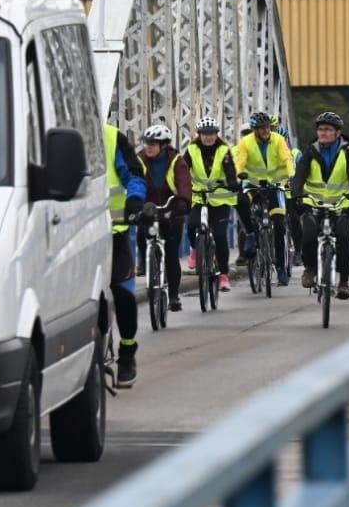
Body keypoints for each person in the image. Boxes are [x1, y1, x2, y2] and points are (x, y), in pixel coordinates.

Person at [290, 111, 349, 299]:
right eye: (320, 129)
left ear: (337, 133)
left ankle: (344, 282)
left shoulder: (348, 151)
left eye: (328, 130)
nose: (323, 133)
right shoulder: (310, 151)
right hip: (314, 202)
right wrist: (297, 194)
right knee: (308, 236)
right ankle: (309, 269)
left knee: (344, 239)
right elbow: (299, 175)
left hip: (339, 203)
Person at [180, 116, 252, 292]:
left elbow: (229, 169)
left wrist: (232, 183)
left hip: (220, 198)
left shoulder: (223, 150)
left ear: (216, 135)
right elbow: (183, 170)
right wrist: (182, 187)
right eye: (205, 134)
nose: (208, 137)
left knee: (220, 237)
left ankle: (224, 275)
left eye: (212, 133)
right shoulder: (191, 150)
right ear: (199, 135)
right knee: (192, 224)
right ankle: (195, 249)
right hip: (199, 196)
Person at [106, 122, 147, 387]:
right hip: (69, 235)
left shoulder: (111, 137)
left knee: (122, 292)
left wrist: (135, 200)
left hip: (113, 231)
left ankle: (127, 353)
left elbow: (134, 175)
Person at [235, 110, 295, 285]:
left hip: (275, 185)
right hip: (253, 184)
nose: (266, 130)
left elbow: (287, 158)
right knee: (242, 202)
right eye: (262, 128)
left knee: (278, 224)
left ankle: (281, 267)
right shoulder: (246, 142)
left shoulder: (278, 140)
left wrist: (291, 174)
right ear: (255, 130)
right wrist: (240, 173)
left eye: (268, 127)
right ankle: (251, 234)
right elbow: (240, 161)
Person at [136, 124, 192, 313]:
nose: (148, 147)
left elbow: (184, 182)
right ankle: (145, 262)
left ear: (164, 145)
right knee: (141, 233)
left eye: (153, 144)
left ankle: (174, 296)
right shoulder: (140, 160)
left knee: (171, 253)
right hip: (149, 208)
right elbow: (133, 180)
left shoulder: (177, 161)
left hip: (171, 209)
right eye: (147, 144)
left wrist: (183, 201)